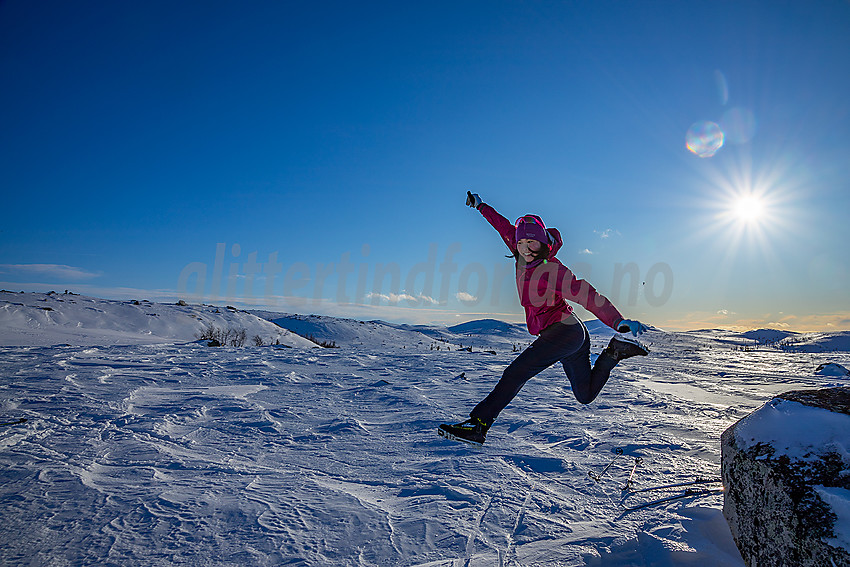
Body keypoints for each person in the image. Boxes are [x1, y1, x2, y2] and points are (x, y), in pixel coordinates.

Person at [438, 192, 650, 444]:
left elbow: (587, 295)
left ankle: (479, 424)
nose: (526, 249)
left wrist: (616, 320)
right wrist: (481, 206)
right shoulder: (519, 251)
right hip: (573, 334)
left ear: (543, 244)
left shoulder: (551, 269)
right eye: (521, 243)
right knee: (585, 394)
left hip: (564, 331)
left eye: (532, 243)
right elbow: (502, 225)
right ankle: (614, 352)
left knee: (516, 373)